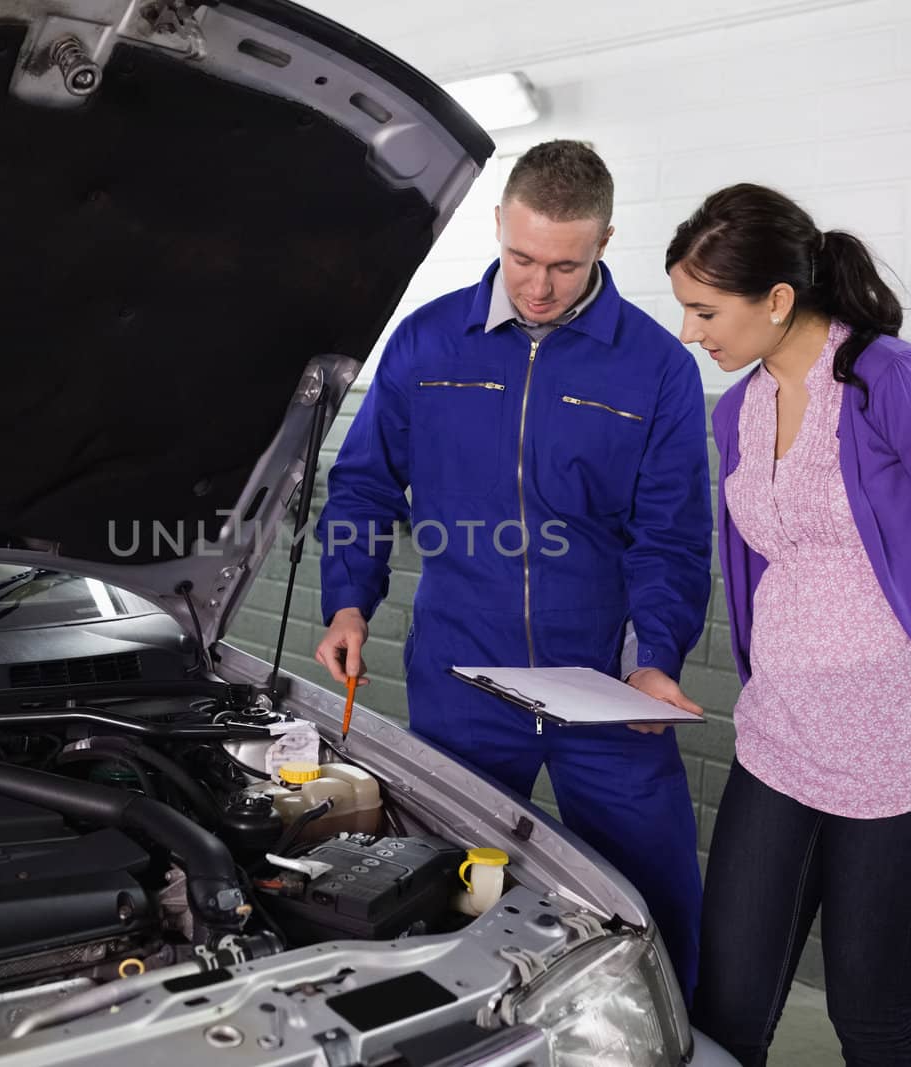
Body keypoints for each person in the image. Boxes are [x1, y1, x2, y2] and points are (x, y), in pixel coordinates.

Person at [312, 140, 712, 996]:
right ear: (499, 226)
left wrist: (656, 659)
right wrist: (347, 603)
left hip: (603, 689)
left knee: (653, 894)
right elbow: (363, 483)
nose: (539, 285)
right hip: (461, 680)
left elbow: (670, 537)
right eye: (522, 257)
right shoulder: (425, 344)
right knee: (462, 890)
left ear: (605, 240)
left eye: (565, 265)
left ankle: (675, 1039)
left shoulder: (657, 369)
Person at [666, 183, 911, 1066]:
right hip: (782, 745)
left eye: (705, 310)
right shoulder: (736, 410)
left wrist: (905, 631)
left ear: (778, 299)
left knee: (869, 1016)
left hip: (902, 755)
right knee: (726, 1008)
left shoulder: (894, 383)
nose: (692, 332)